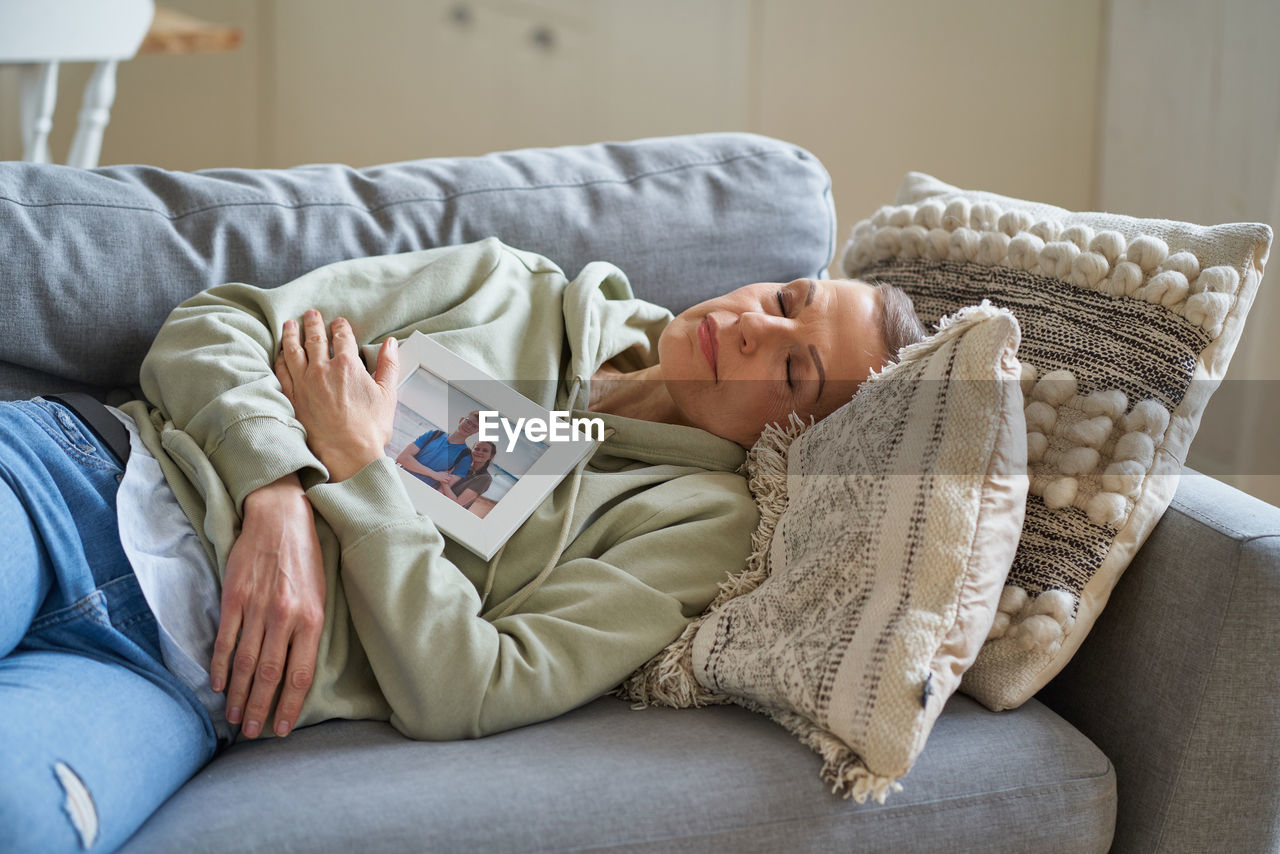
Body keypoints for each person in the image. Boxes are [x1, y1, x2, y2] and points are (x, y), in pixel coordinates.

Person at [0, 238, 926, 852]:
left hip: (183, 682)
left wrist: (361, 464)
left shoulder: (695, 529)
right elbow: (223, 323)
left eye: (794, 368)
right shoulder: (510, 287)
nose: (754, 326)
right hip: (79, 483)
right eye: (785, 298)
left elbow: (474, 685)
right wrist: (277, 489)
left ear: (800, 444)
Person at [395, 410, 480, 488]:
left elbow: (445, 487)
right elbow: (402, 458)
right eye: (468, 422)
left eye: (474, 426)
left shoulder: (466, 456)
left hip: (420, 491)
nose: (469, 427)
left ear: (476, 431)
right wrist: (434, 474)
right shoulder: (434, 434)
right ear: (461, 420)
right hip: (398, 479)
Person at [437, 439, 497, 511]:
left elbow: (457, 503)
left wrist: (443, 482)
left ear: (491, 456)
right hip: (438, 502)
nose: (479, 452)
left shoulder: (485, 478)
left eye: (485, 450)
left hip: (449, 511)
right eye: (477, 449)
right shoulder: (463, 468)